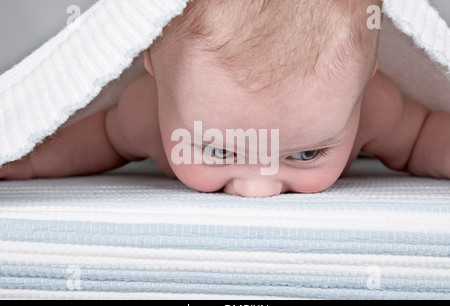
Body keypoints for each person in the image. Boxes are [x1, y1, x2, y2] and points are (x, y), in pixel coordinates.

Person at [1, 0, 449, 198]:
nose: (256, 187)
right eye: (217, 149)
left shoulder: (374, 107)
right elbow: (100, 135)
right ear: (154, 69)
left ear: (362, 86)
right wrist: (29, 158)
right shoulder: (144, 114)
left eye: (306, 152)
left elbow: (423, 135)